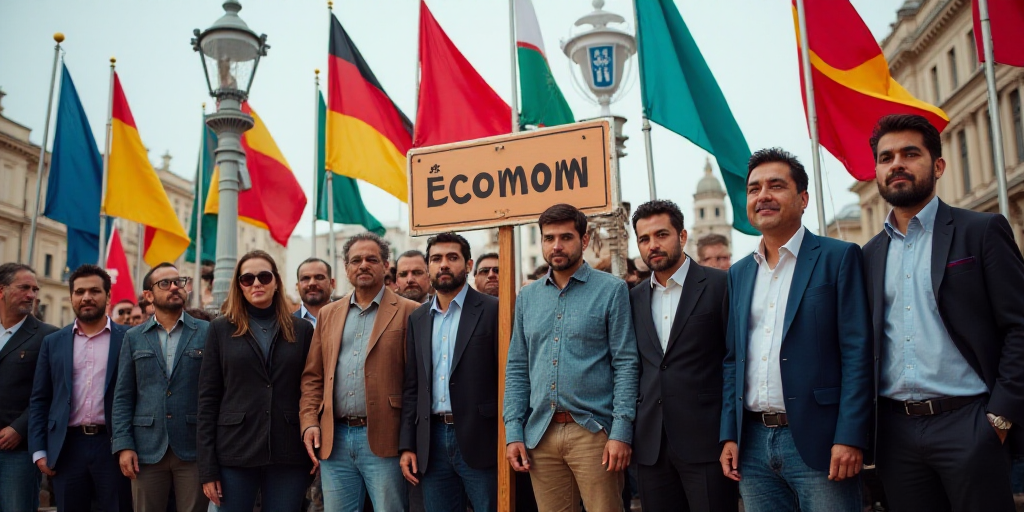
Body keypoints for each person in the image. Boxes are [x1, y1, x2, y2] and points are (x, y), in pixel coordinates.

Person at [863, 114, 1024, 512]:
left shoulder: (982, 230)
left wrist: (999, 418)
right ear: (878, 171)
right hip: (896, 433)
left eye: (910, 153)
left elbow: (1020, 327)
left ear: (937, 166)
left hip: (969, 422)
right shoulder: (868, 255)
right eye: (886, 157)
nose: (896, 163)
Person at [718, 148, 872, 512]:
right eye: (754, 189)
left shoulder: (838, 257)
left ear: (803, 199)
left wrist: (850, 435)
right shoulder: (739, 274)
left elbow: (858, 352)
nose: (763, 196)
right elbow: (732, 361)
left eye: (776, 186)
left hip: (821, 442)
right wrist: (729, 433)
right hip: (752, 444)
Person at [504, 203, 639, 512]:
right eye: (549, 238)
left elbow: (626, 364)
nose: (557, 245)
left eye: (566, 237)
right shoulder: (528, 296)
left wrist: (620, 432)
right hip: (540, 434)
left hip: (593, 434)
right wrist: (513, 432)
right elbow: (517, 368)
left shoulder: (611, 290)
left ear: (585, 240)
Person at [628, 201, 737, 512]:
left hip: (708, 441)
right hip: (651, 446)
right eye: (644, 239)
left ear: (683, 235)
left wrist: (731, 434)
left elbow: (734, 362)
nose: (653, 245)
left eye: (661, 234)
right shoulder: (633, 297)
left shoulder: (720, 285)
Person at [300, 232, 419, 512]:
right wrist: (309, 422)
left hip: (386, 439)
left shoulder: (410, 312)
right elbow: (313, 377)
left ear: (386, 266)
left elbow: (416, 382)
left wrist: (409, 440)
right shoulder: (328, 314)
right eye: (356, 260)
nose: (363, 265)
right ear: (346, 268)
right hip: (335, 440)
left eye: (371, 259)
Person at [196, 250, 315, 512]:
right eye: (247, 278)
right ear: (239, 285)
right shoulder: (220, 329)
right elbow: (208, 399)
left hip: (288, 450)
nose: (256, 283)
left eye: (263, 276)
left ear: (276, 282)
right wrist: (207, 468)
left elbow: (312, 390)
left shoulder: (302, 330)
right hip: (234, 450)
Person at [399, 232, 499, 511]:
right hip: (431, 444)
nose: (443, 264)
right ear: (429, 266)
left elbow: (508, 378)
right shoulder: (418, 318)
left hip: (481, 440)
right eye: (436, 259)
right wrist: (407, 444)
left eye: (451, 258)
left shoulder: (494, 310)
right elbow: (412, 386)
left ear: (468, 265)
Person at [28, 264, 133, 511]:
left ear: (108, 296)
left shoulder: (130, 338)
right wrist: (39, 450)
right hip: (67, 447)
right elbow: (40, 399)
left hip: (114, 446)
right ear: (72, 297)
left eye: (95, 291)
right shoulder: (53, 342)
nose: (86, 297)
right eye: (79, 292)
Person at [111, 263, 209, 512]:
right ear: (148, 295)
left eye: (179, 281)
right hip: (146, 448)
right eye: (165, 283)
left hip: (193, 446)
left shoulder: (208, 332)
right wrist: (124, 445)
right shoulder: (133, 337)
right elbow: (123, 396)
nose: (175, 287)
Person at [0, 263, 59, 512]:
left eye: (35, 289)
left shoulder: (48, 336)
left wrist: (19, 428)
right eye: (24, 287)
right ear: (1, 290)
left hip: (19, 451)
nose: (32, 295)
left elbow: (53, 391)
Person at [295, 257, 335, 327]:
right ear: (298, 286)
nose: (312, 283)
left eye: (319, 277)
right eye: (306, 278)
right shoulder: (285, 326)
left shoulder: (347, 319)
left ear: (332, 283)